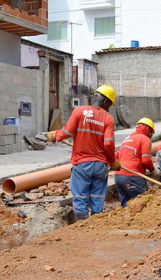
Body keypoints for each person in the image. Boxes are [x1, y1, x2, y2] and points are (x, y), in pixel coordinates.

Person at [47, 85, 121, 220]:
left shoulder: (79, 111)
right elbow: (109, 143)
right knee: (97, 198)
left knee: (80, 197)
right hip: (100, 166)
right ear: (105, 101)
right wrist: (112, 161)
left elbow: (66, 132)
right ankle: (95, 226)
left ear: (96, 96)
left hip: (82, 164)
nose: (109, 107)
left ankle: (81, 227)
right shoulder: (108, 119)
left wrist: (55, 135)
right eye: (110, 104)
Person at [114, 118, 160, 207]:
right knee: (144, 203)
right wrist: (153, 170)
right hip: (132, 176)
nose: (151, 135)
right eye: (151, 132)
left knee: (125, 207)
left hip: (118, 176)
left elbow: (116, 157)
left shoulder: (126, 139)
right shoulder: (145, 139)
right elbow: (146, 160)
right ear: (147, 129)